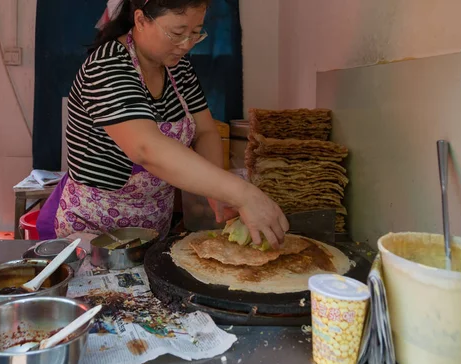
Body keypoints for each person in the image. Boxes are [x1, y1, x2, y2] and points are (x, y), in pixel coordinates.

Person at [37, 0, 288, 247]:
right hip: (95, 231)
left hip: (152, 228)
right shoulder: (108, 66)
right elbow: (146, 148)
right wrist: (243, 194)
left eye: (195, 33)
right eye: (177, 33)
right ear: (141, 20)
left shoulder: (178, 68)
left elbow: (205, 131)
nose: (186, 44)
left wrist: (217, 193)